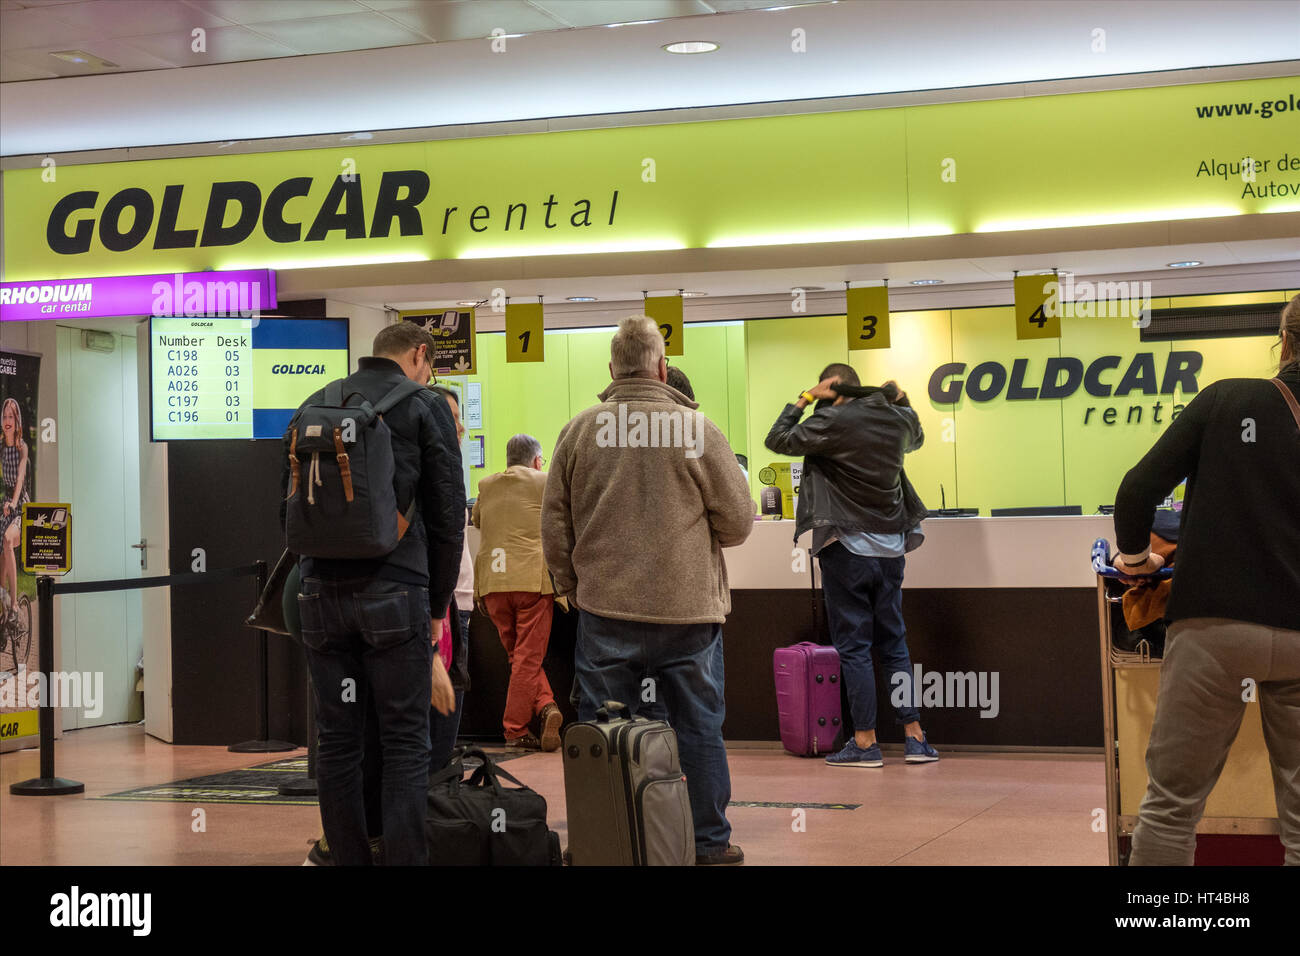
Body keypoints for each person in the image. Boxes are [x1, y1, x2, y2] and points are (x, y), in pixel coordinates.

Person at [542, 315, 754, 865]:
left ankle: (605, 839)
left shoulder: (579, 430)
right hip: (688, 614)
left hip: (605, 611)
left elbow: (554, 521)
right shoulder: (696, 429)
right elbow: (737, 522)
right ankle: (708, 844)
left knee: (602, 730)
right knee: (699, 728)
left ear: (612, 368)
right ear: (661, 366)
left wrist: (570, 584)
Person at [1115, 293, 1300, 866]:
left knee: (1172, 805)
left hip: (1213, 628)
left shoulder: (1226, 398)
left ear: (1285, 341)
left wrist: (1137, 558)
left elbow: (1138, 488)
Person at [282, 321, 464, 866]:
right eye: (429, 364)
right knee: (406, 741)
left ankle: (347, 857)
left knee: (338, 741)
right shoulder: (424, 406)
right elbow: (449, 515)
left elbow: (287, 508)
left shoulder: (314, 402)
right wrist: (437, 608)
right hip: (394, 594)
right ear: (419, 355)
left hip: (320, 596)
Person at [764, 363, 938, 768]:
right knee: (894, 644)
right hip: (893, 548)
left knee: (855, 647)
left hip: (847, 548)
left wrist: (805, 399)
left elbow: (778, 439)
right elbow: (919, 435)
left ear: (831, 388)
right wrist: (904, 399)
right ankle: (915, 737)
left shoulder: (832, 420)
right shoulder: (896, 418)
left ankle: (864, 743)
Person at [473, 434, 562, 751]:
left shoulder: (486, 484)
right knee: (527, 659)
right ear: (538, 460)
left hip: (493, 585)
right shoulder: (545, 481)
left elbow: (477, 519)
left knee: (517, 656)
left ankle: (548, 707)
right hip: (531, 583)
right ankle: (515, 730)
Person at [428, 385, 472, 770]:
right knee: (439, 724)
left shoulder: (450, 467)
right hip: (445, 609)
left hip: (452, 605)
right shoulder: (437, 471)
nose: (461, 428)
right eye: (453, 418)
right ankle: (431, 812)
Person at [1, 397, 30, 623]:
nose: (7, 420)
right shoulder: (2, 447)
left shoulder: (22, 447)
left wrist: (12, 502)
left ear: (17, 420)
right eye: (4, 416)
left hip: (20, 507)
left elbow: (19, 478)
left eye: (11, 416)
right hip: (5, 506)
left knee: (8, 541)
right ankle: (3, 612)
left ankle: (14, 607)